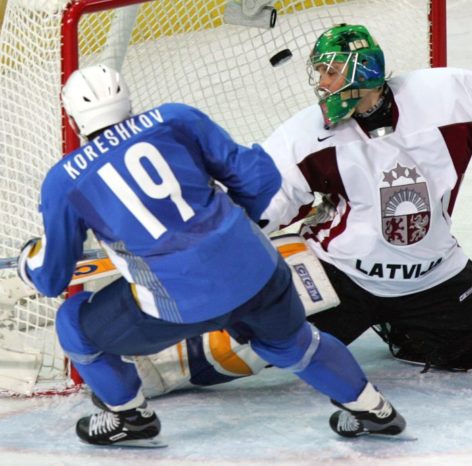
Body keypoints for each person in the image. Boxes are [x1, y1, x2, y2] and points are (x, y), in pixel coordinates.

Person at [128, 23, 472, 397]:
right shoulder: (304, 135)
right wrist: (192, 237)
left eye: (332, 74)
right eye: (319, 73)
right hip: (342, 272)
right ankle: (145, 362)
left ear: (363, 74)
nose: (321, 84)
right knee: (239, 348)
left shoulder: (446, 96)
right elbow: (262, 200)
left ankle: (408, 328)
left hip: (433, 274)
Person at [16, 64, 407, 447]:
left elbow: (52, 277)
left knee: (74, 322)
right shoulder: (175, 118)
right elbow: (262, 178)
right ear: (127, 100)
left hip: (178, 303)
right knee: (294, 344)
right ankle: (374, 410)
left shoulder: (64, 181)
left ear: (72, 119)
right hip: (258, 269)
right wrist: (233, 233)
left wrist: (27, 261)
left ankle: (130, 418)